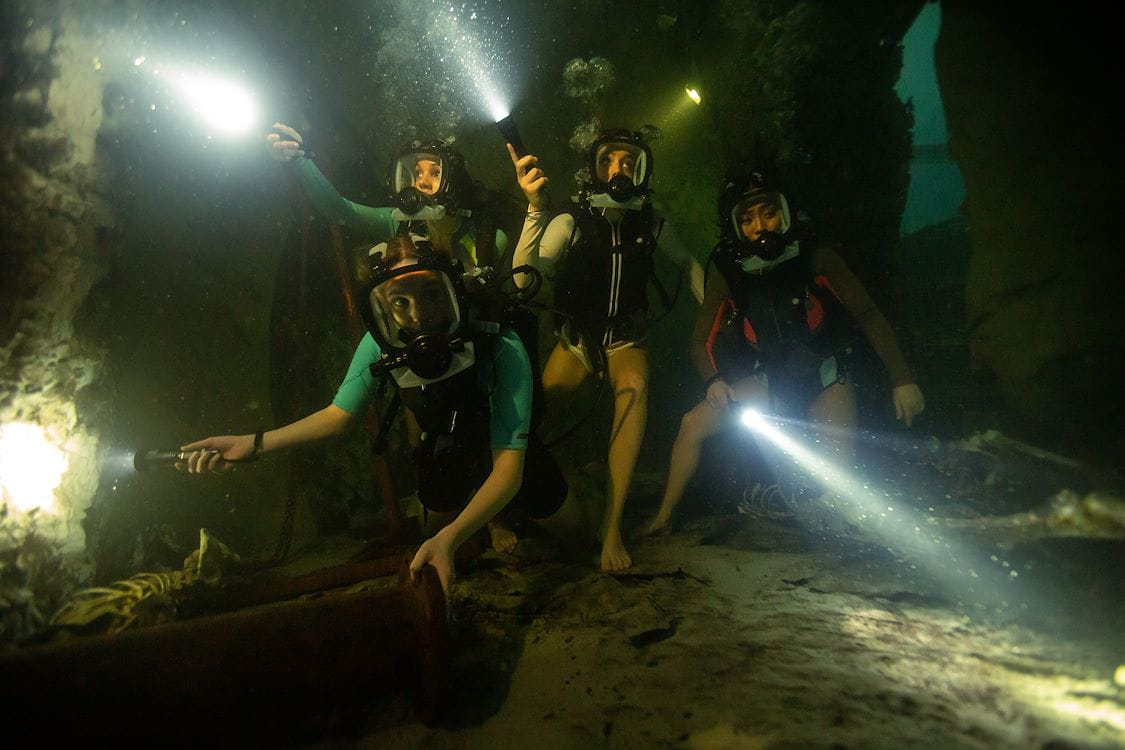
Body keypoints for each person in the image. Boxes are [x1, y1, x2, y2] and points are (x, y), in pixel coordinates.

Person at [177, 234, 578, 592]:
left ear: (453, 289)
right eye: (400, 302)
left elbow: (509, 468)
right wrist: (253, 443)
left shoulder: (500, 342)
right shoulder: (380, 344)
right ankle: (481, 524)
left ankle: (504, 519)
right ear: (382, 306)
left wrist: (450, 538)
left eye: (431, 294)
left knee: (579, 535)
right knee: (435, 532)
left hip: (512, 452)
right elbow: (338, 415)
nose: (418, 316)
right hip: (447, 449)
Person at [642, 170, 925, 534]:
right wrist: (713, 380)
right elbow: (700, 343)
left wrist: (903, 380)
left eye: (769, 213)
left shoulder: (817, 259)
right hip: (767, 381)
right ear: (735, 227)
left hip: (826, 379)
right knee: (692, 424)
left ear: (786, 213)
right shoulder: (729, 275)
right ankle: (663, 517)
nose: (760, 226)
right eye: (747, 219)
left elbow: (868, 314)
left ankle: (811, 503)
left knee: (837, 495)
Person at [506, 129, 704, 571]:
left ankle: (611, 527)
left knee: (634, 387)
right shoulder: (570, 219)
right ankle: (514, 508)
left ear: (643, 170)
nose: (619, 170)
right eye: (608, 161)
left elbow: (689, 263)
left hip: (625, 340)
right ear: (592, 170)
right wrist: (535, 210)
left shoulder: (652, 222)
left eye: (629, 162)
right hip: (576, 340)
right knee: (533, 417)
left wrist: (715, 324)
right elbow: (522, 280)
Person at [267, 123, 508, 268]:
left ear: (453, 180)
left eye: (435, 173)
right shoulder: (399, 223)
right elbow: (339, 209)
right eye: (417, 172)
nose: (422, 181)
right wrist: (298, 160)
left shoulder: (488, 239)